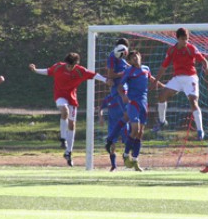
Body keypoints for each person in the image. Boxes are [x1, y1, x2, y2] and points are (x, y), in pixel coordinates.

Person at [30, 52, 111, 167]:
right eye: (67, 65)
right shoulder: (58, 66)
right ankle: (63, 139)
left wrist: (106, 80)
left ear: (75, 65)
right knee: (65, 111)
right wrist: (35, 70)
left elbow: (94, 75)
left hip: (71, 98)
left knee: (72, 125)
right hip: (60, 96)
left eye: (71, 66)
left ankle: (68, 152)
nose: (68, 67)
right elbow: (48, 71)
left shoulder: (80, 71)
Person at [155, 27, 208, 140]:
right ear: (177, 38)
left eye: (187, 39)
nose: (185, 41)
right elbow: (164, 66)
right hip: (177, 79)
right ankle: (162, 121)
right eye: (183, 39)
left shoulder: (191, 48)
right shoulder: (171, 50)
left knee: (193, 102)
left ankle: (200, 131)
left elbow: (203, 60)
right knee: (162, 96)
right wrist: (156, 80)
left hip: (190, 78)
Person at [117, 50, 162, 172]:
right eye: (132, 58)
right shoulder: (129, 71)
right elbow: (120, 87)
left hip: (144, 104)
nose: (135, 58)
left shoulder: (146, 68)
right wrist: (124, 96)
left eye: (136, 56)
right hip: (133, 103)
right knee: (135, 129)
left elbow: (151, 78)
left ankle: (135, 160)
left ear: (140, 56)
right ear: (130, 61)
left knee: (140, 133)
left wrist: (163, 86)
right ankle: (126, 154)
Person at [103, 38, 130, 171]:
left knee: (128, 132)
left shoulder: (124, 60)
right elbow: (111, 75)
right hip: (118, 100)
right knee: (127, 121)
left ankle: (127, 161)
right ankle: (114, 164)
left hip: (121, 97)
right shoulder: (113, 57)